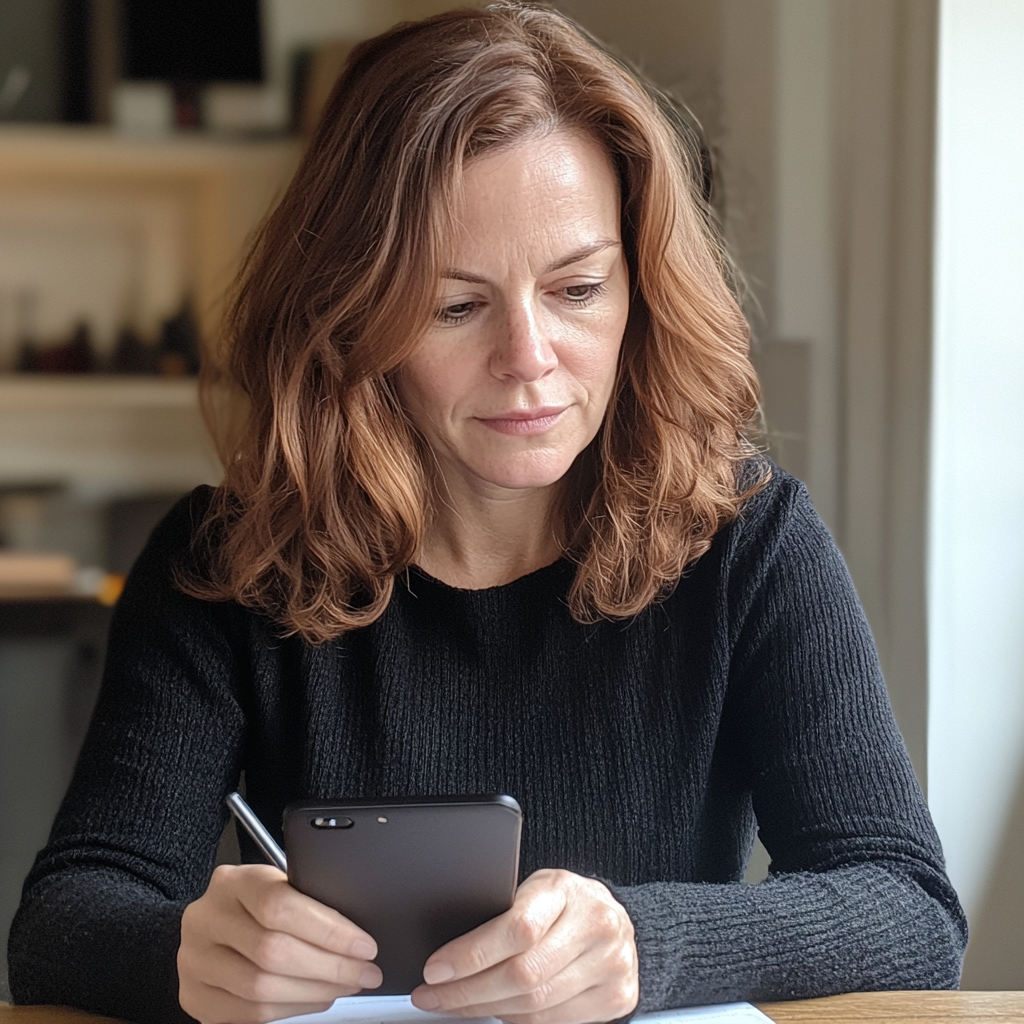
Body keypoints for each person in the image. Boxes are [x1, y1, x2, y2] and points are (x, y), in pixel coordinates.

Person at [8, 5, 966, 1024]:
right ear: (351, 318)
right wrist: (187, 952)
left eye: (578, 287)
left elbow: (908, 906)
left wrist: (646, 945)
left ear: (642, 287)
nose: (529, 358)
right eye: (455, 306)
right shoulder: (228, 563)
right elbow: (62, 923)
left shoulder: (748, 541)